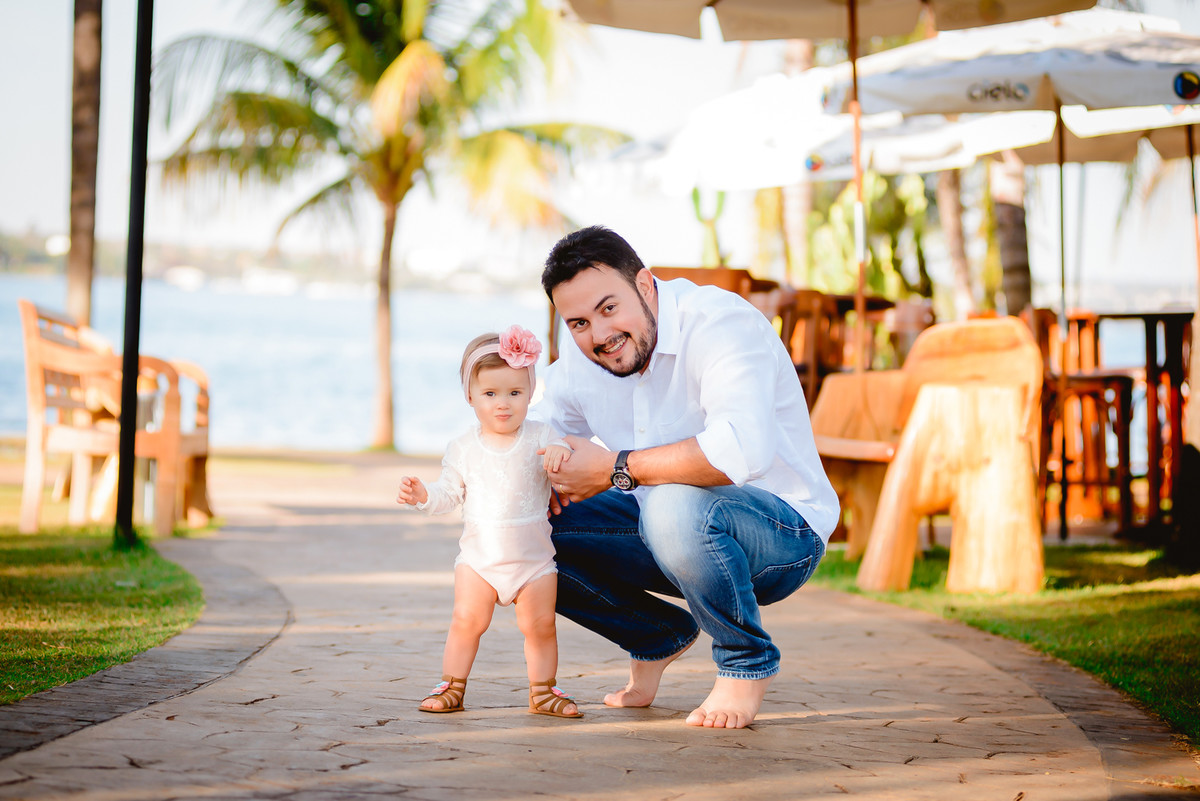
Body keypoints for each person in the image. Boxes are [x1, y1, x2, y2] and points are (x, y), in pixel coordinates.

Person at [533, 226, 839, 729]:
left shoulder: (720, 322)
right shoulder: (581, 361)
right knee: (523, 526)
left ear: (647, 286)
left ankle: (744, 661)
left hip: (783, 537)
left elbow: (741, 449)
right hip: (665, 529)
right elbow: (537, 434)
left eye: (610, 308)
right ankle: (653, 635)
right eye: (580, 322)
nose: (599, 334)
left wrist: (615, 468)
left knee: (671, 502)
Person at [397, 325, 583, 719]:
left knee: (540, 626)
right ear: (470, 396)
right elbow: (449, 493)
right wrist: (423, 495)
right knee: (466, 621)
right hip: (479, 561)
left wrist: (559, 453)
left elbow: (566, 453)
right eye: (490, 394)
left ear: (530, 394)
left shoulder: (541, 436)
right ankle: (452, 685)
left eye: (515, 393)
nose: (503, 404)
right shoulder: (464, 447)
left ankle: (543, 690)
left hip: (532, 561)